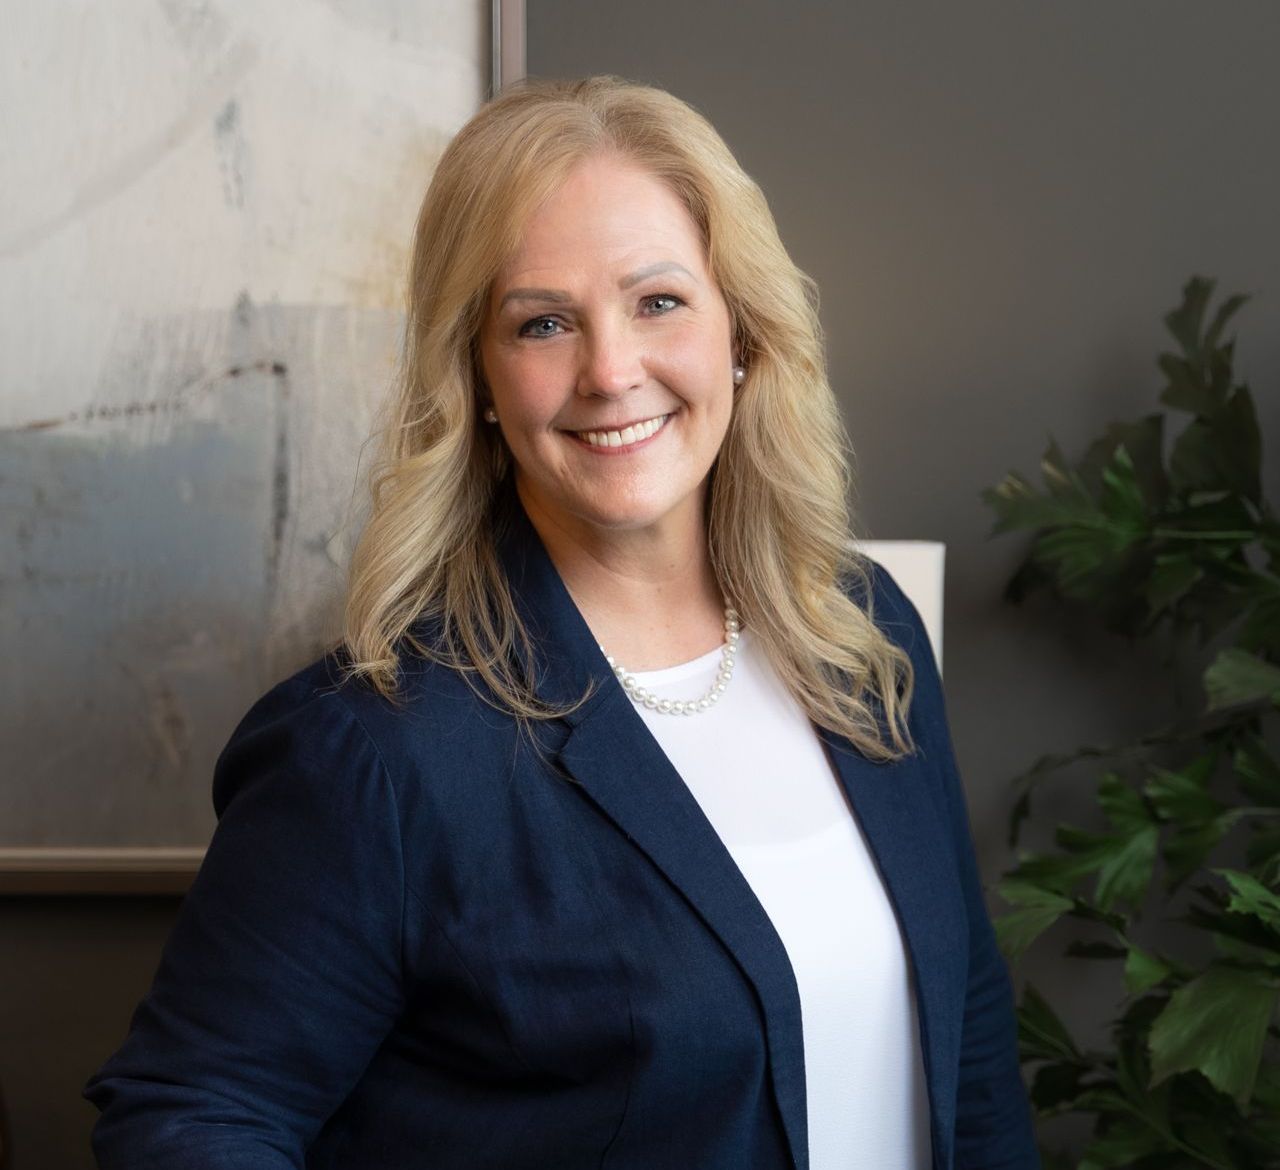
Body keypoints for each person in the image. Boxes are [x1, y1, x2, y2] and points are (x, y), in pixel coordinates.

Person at [85, 77, 1038, 1169]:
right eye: (542, 323)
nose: (609, 371)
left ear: (741, 328)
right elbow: (190, 1118)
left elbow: (965, 1059)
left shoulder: (863, 638)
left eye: (658, 301)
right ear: (479, 378)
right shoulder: (379, 750)